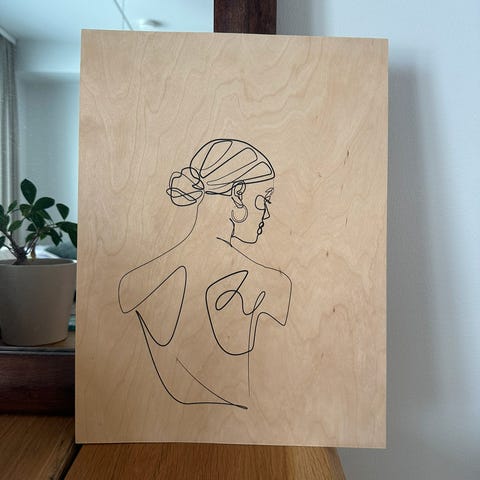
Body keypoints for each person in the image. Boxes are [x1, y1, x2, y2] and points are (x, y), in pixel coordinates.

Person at [118, 139, 292, 409]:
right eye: (265, 199)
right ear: (238, 194)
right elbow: (276, 392)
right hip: (240, 427)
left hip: (162, 420)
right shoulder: (272, 285)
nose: (267, 213)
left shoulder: (133, 283)